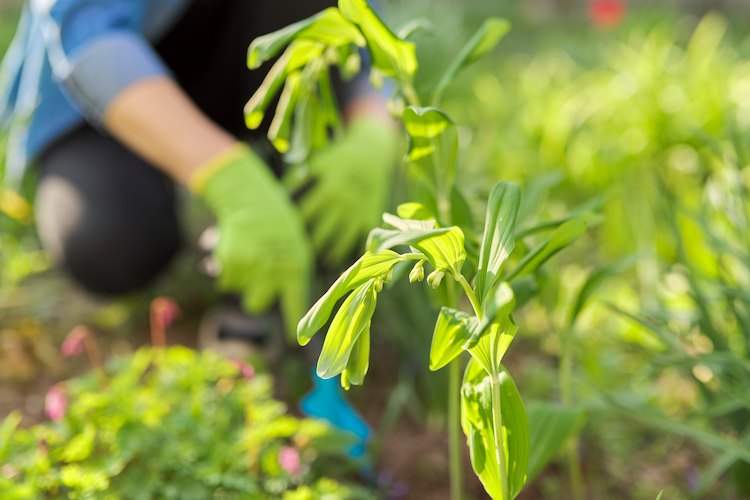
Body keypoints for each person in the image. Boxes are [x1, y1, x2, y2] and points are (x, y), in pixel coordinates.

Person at [0, 0, 398, 457]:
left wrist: (372, 131)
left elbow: (363, 30)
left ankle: (269, 298)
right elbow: (87, 31)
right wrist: (228, 179)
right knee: (106, 238)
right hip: (106, 91)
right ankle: (216, 203)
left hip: (247, 58)